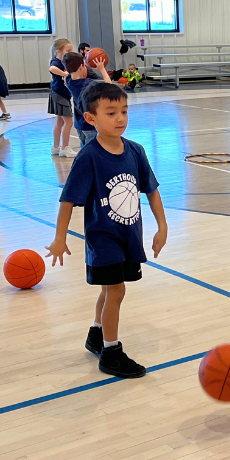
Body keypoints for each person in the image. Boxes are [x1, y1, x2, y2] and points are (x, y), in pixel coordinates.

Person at [45, 82, 168, 378]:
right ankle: (111, 353)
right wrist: (59, 237)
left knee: (108, 289)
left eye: (124, 111)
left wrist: (162, 226)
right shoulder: (89, 157)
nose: (120, 118)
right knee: (116, 290)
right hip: (103, 238)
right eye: (111, 113)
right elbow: (68, 200)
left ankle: (97, 335)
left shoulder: (136, 151)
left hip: (129, 236)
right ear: (91, 119)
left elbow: (151, 191)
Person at [63, 51, 117, 150]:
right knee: (91, 151)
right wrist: (102, 69)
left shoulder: (68, 81)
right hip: (90, 124)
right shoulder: (88, 84)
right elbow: (109, 85)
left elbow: (68, 72)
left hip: (79, 124)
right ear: (81, 67)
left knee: (84, 149)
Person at [48, 38, 75, 157]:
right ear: (58, 51)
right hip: (59, 95)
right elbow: (52, 69)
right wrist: (65, 74)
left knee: (59, 122)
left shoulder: (66, 63)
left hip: (63, 94)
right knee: (69, 122)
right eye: (68, 50)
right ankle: (65, 148)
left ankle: (55, 147)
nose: (70, 52)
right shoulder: (56, 62)